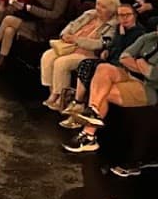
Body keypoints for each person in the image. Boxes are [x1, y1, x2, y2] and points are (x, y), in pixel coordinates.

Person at [64, 23, 158, 159]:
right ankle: (93, 111)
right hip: (130, 74)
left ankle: (89, 135)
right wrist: (142, 65)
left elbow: (154, 76)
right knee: (103, 68)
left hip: (149, 87)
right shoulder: (148, 38)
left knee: (104, 92)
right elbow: (124, 57)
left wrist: (138, 63)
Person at [59, 2, 145, 132]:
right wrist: (106, 51)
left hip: (122, 67)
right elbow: (110, 46)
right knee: (86, 64)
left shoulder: (139, 33)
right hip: (110, 61)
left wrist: (121, 36)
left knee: (92, 69)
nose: (124, 18)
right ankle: (78, 104)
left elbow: (126, 53)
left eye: (127, 15)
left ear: (135, 15)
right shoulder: (118, 28)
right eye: (121, 15)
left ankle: (80, 106)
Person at [38, 0, 120, 111]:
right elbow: (72, 25)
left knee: (61, 63)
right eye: (98, 4)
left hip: (88, 53)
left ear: (112, 10)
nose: (98, 8)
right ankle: (53, 92)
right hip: (69, 46)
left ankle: (61, 97)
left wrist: (77, 40)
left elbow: (99, 44)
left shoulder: (113, 25)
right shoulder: (89, 14)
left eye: (103, 7)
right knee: (47, 56)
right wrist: (64, 34)